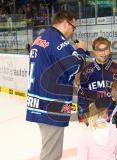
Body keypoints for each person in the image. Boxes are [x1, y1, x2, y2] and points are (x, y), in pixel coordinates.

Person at [26, 10, 88, 160]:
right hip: (51, 105)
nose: (73, 32)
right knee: (51, 154)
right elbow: (75, 67)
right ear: (66, 23)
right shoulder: (58, 41)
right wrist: (82, 50)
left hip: (40, 102)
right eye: (74, 27)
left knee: (50, 149)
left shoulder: (42, 37)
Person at [78, 37, 117, 122]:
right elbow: (82, 97)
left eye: (105, 49)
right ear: (94, 51)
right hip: (92, 119)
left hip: (113, 119)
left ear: (110, 50)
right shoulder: (86, 71)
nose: (103, 53)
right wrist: (82, 118)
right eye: (99, 50)